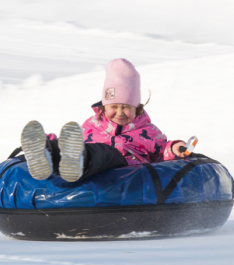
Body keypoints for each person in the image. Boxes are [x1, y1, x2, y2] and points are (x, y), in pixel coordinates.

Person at [20, 58, 189, 182]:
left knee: (104, 153)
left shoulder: (148, 130)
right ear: (103, 106)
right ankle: (46, 152)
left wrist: (174, 148)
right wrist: (53, 142)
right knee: (79, 147)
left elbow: (161, 151)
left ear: (136, 108)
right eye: (114, 106)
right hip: (88, 170)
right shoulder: (91, 125)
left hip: (124, 170)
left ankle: (77, 161)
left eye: (127, 107)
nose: (120, 112)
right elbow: (72, 143)